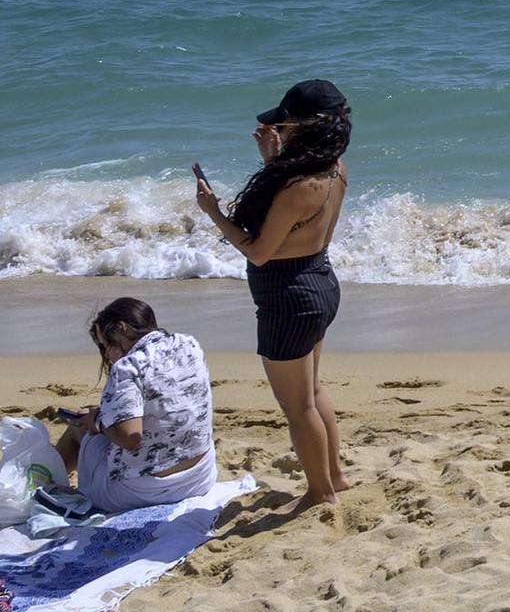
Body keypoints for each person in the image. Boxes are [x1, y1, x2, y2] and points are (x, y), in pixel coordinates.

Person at [194, 79, 351, 510]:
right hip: (319, 282)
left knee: (297, 407)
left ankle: (321, 493)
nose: (278, 129)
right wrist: (273, 159)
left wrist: (214, 214)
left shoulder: (298, 183)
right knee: (313, 392)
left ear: (305, 125)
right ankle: (336, 475)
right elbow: (297, 222)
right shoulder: (334, 168)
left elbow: (260, 252)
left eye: (284, 122)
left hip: (288, 298)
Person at [54, 298, 217, 513]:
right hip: (200, 477)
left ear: (121, 329)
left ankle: (43, 485)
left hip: (144, 492)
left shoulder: (128, 366)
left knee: (79, 427)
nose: (108, 355)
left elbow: (131, 438)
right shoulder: (189, 344)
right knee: (95, 418)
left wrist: (98, 423)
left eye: (106, 345)